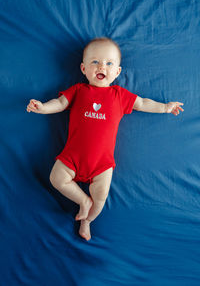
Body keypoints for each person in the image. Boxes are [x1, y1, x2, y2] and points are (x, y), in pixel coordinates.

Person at [26, 37, 184, 241]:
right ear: (83, 69)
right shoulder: (78, 90)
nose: (102, 66)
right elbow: (59, 103)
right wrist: (43, 108)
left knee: (101, 197)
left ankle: (87, 221)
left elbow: (142, 103)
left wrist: (164, 107)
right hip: (72, 156)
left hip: (102, 164)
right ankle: (83, 200)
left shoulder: (119, 95)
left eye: (109, 63)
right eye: (95, 62)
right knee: (56, 178)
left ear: (117, 72)